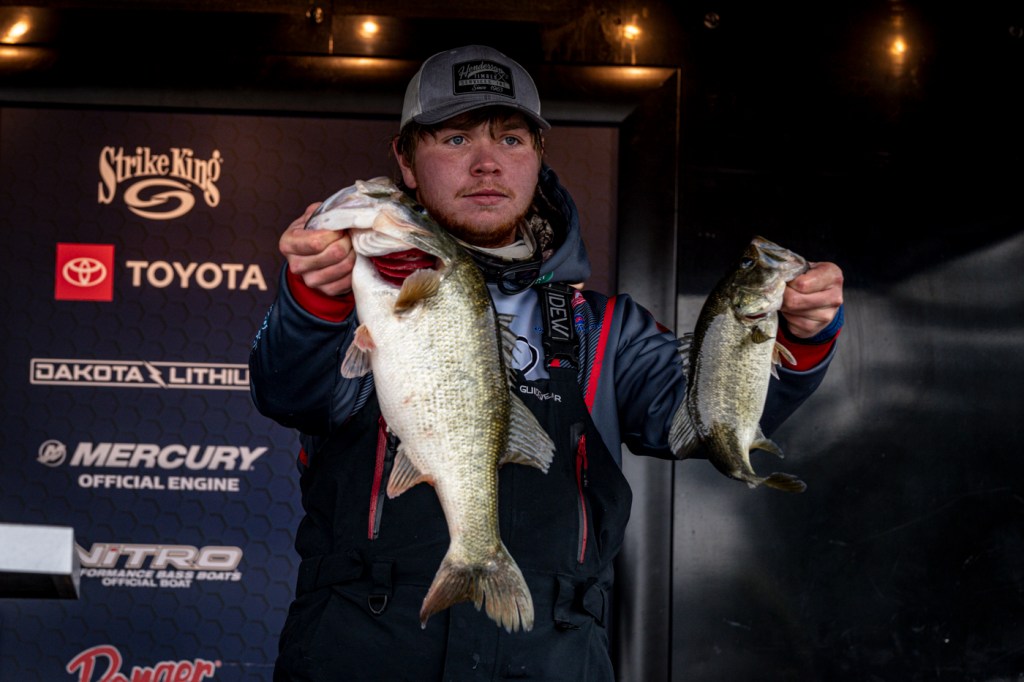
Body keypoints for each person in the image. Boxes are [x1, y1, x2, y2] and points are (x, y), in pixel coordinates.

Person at [249, 44, 844, 682]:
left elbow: (708, 422)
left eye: (510, 139)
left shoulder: (606, 328)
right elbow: (290, 392)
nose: (486, 163)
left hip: (552, 655)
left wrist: (800, 334)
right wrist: (313, 299)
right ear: (406, 160)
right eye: (455, 138)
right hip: (358, 653)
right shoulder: (355, 285)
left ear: (538, 156)